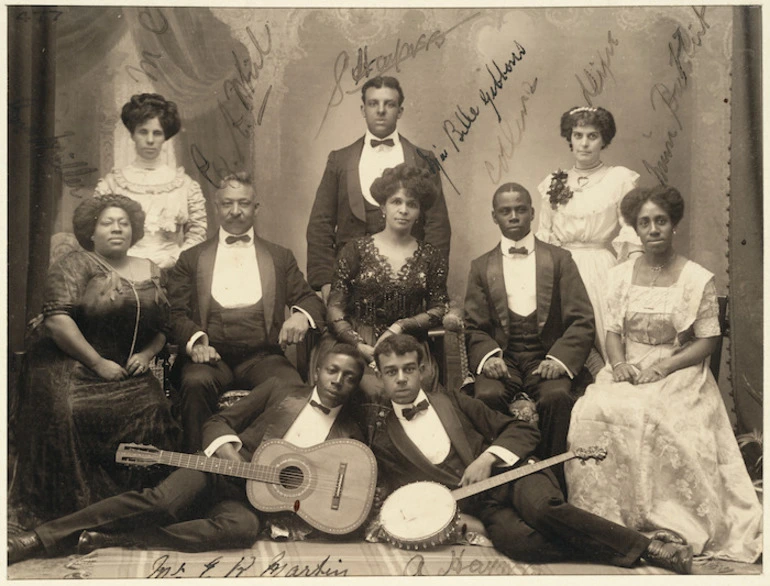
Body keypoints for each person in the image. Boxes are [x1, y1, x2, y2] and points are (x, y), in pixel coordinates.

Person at [8, 345, 367, 564]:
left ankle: (124, 539)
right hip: (215, 469)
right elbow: (220, 420)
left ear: (355, 384)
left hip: (251, 501)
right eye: (332, 370)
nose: (337, 381)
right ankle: (41, 538)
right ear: (317, 370)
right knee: (161, 501)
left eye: (349, 377)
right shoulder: (281, 390)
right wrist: (229, 452)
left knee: (241, 529)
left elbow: (338, 488)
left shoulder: (350, 434)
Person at [367, 334, 694, 574]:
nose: (401, 378)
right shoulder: (384, 439)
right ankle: (635, 539)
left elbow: (523, 430)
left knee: (542, 510)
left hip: (515, 473)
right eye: (391, 371)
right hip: (482, 507)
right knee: (520, 543)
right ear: (380, 376)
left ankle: (651, 550)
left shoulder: (452, 401)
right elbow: (406, 496)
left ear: (421, 369)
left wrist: (487, 458)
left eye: (408, 369)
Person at [566, 185, 763, 563]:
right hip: (628, 364)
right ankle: (605, 517)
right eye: (645, 223)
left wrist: (663, 367)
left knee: (652, 415)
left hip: (679, 365)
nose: (653, 229)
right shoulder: (620, 275)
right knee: (592, 411)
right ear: (635, 230)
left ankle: (663, 520)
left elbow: (706, 342)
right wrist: (619, 363)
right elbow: (612, 333)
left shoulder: (696, 278)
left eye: (661, 221)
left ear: (674, 225)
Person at [10, 194, 180, 524]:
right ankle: (74, 514)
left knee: (155, 410)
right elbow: (57, 320)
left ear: (135, 230)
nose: (117, 229)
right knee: (71, 411)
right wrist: (97, 363)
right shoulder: (75, 264)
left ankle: (136, 511)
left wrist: (145, 355)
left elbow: (163, 327)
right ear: (91, 231)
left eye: (124, 223)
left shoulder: (151, 269)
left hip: (128, 371)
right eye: (107, 223)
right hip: (71, 364)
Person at [167, 172, 326, 453]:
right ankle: (197, 469)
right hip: (210, 357)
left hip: (262, 356)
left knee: (292, 389)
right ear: (216, 208)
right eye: (227, 204)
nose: (235, 211)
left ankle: (268, 464)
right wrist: (196, 342)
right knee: (194, 383)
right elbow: (174, 312)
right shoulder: (191, 259)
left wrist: (301, 315)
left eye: (243, 203)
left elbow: (308, 298)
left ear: (256, 208)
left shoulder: (279, 256)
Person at [464, 182, 595, 491]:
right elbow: (474, 325)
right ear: (494, 217)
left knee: (556, 397)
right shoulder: (482, 267)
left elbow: (582, 320)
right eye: (505, 211)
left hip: (545, 357)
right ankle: (500, 483)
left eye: (521, 209)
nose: (514, 216)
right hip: (504, 359)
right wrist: (488, 356)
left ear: (533, 213)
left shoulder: (560, 259)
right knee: (487, 396)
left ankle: (553, 480)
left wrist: (560, 360)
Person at [306, 75, 451, 301]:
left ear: (400, 111)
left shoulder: (424, 159)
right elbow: (320, 223)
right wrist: (325, 281)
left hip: (407, 282)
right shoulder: (339, 160)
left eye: (389, 104)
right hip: (349, 282)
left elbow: (437, 225)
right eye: (374, 103)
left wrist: (431, 279)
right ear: (363, 110)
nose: (381, 110)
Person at [326, 163, 449, 398]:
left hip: (409, 347)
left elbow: (440, 307)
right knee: (368, 389)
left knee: (415, 388)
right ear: (383, 206)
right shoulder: (355, 250)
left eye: (411, 204)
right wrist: (357, 344)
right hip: (360, 343)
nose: (403, 210)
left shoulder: (431, 256)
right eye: (396, 202)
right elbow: (335, 307)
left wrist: (401, 326)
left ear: (419, 211)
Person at [536, 106, 641, 371]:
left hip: (599, 267)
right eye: (578, 134)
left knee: (605, 335)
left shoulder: (618, 179)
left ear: (604, 140)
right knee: (559, 339)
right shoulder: (553, 181)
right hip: (560, 268)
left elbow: (630, 230)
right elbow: (544, 233)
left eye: (592, 136)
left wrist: (632, 273)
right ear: (569, 138)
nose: (584, 143)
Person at [95, 93, 207, 269]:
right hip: (121, 273)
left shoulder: (185, 185)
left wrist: (174, 259)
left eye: (157, 133)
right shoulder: (111, 185)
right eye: (143, 132)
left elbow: (197, 234)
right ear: (132, 135)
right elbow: (97, 233)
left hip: (171, 273)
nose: (149, 140)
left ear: (165, 137)